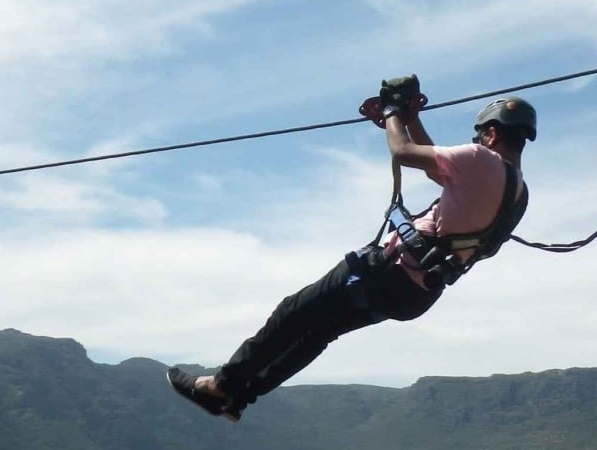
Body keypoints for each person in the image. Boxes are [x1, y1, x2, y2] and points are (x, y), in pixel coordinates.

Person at [167, 77, 535, 422]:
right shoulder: (517, 194)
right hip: (415, 295)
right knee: (319, 332)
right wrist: (411, 118)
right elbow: (437, 168)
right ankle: (240, 398)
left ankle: (222, 386)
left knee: (293, 311)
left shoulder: (479, 160)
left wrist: (393, 113)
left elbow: (404, 151)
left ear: (489, 133)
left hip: (387, 271)